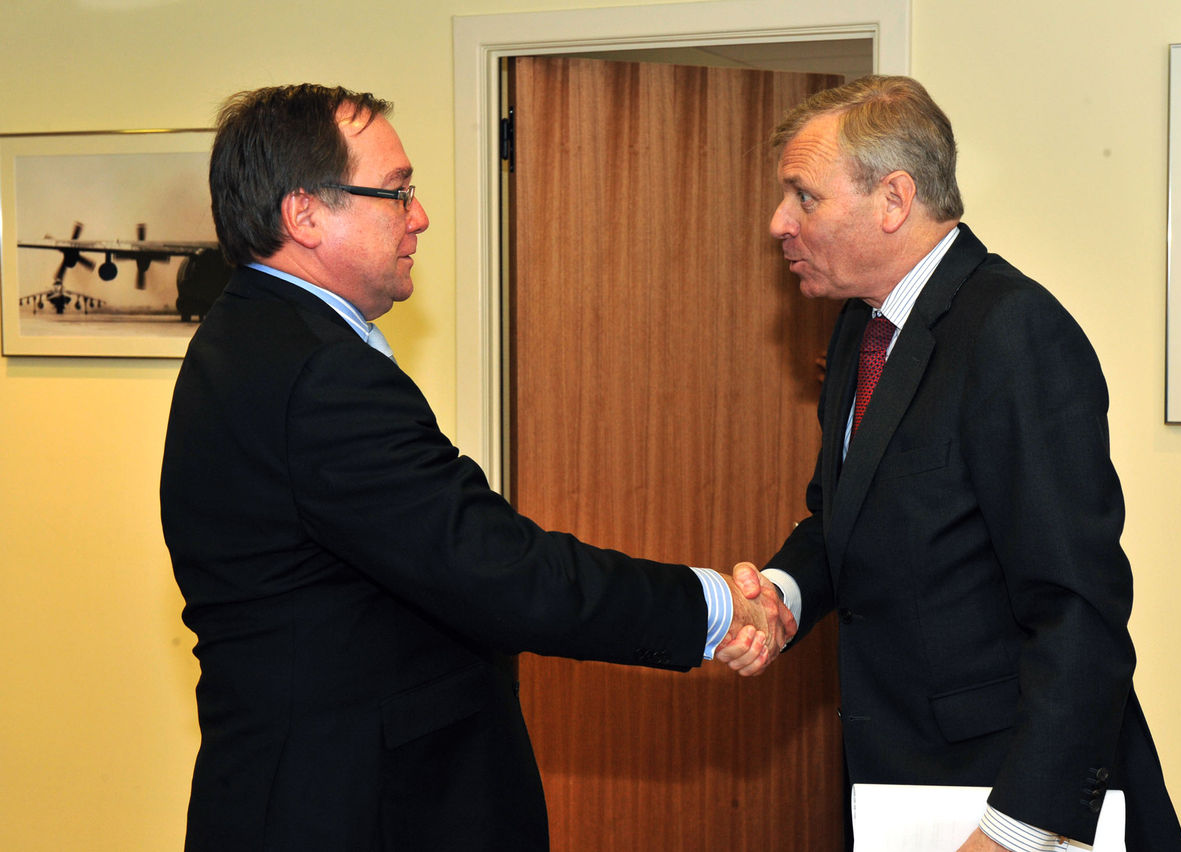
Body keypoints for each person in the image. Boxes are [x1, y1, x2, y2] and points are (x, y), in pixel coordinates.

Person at [159, 84, 792, 852]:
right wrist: (715, 605)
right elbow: (498, 570)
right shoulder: (317, 371)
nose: (419, 215)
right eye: (396, 192)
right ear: (306, 214)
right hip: (351, 811)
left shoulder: (249, 336)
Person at [735, 76, 1181, 851]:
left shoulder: (1014, 331)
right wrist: (782, 594)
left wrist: (1016, 828)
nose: (779, 222)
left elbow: (1078, 608)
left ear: (894, 199)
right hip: (902, 790)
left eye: (803, 196)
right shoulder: (860, 327)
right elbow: (842, 513)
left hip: (1008, 801)